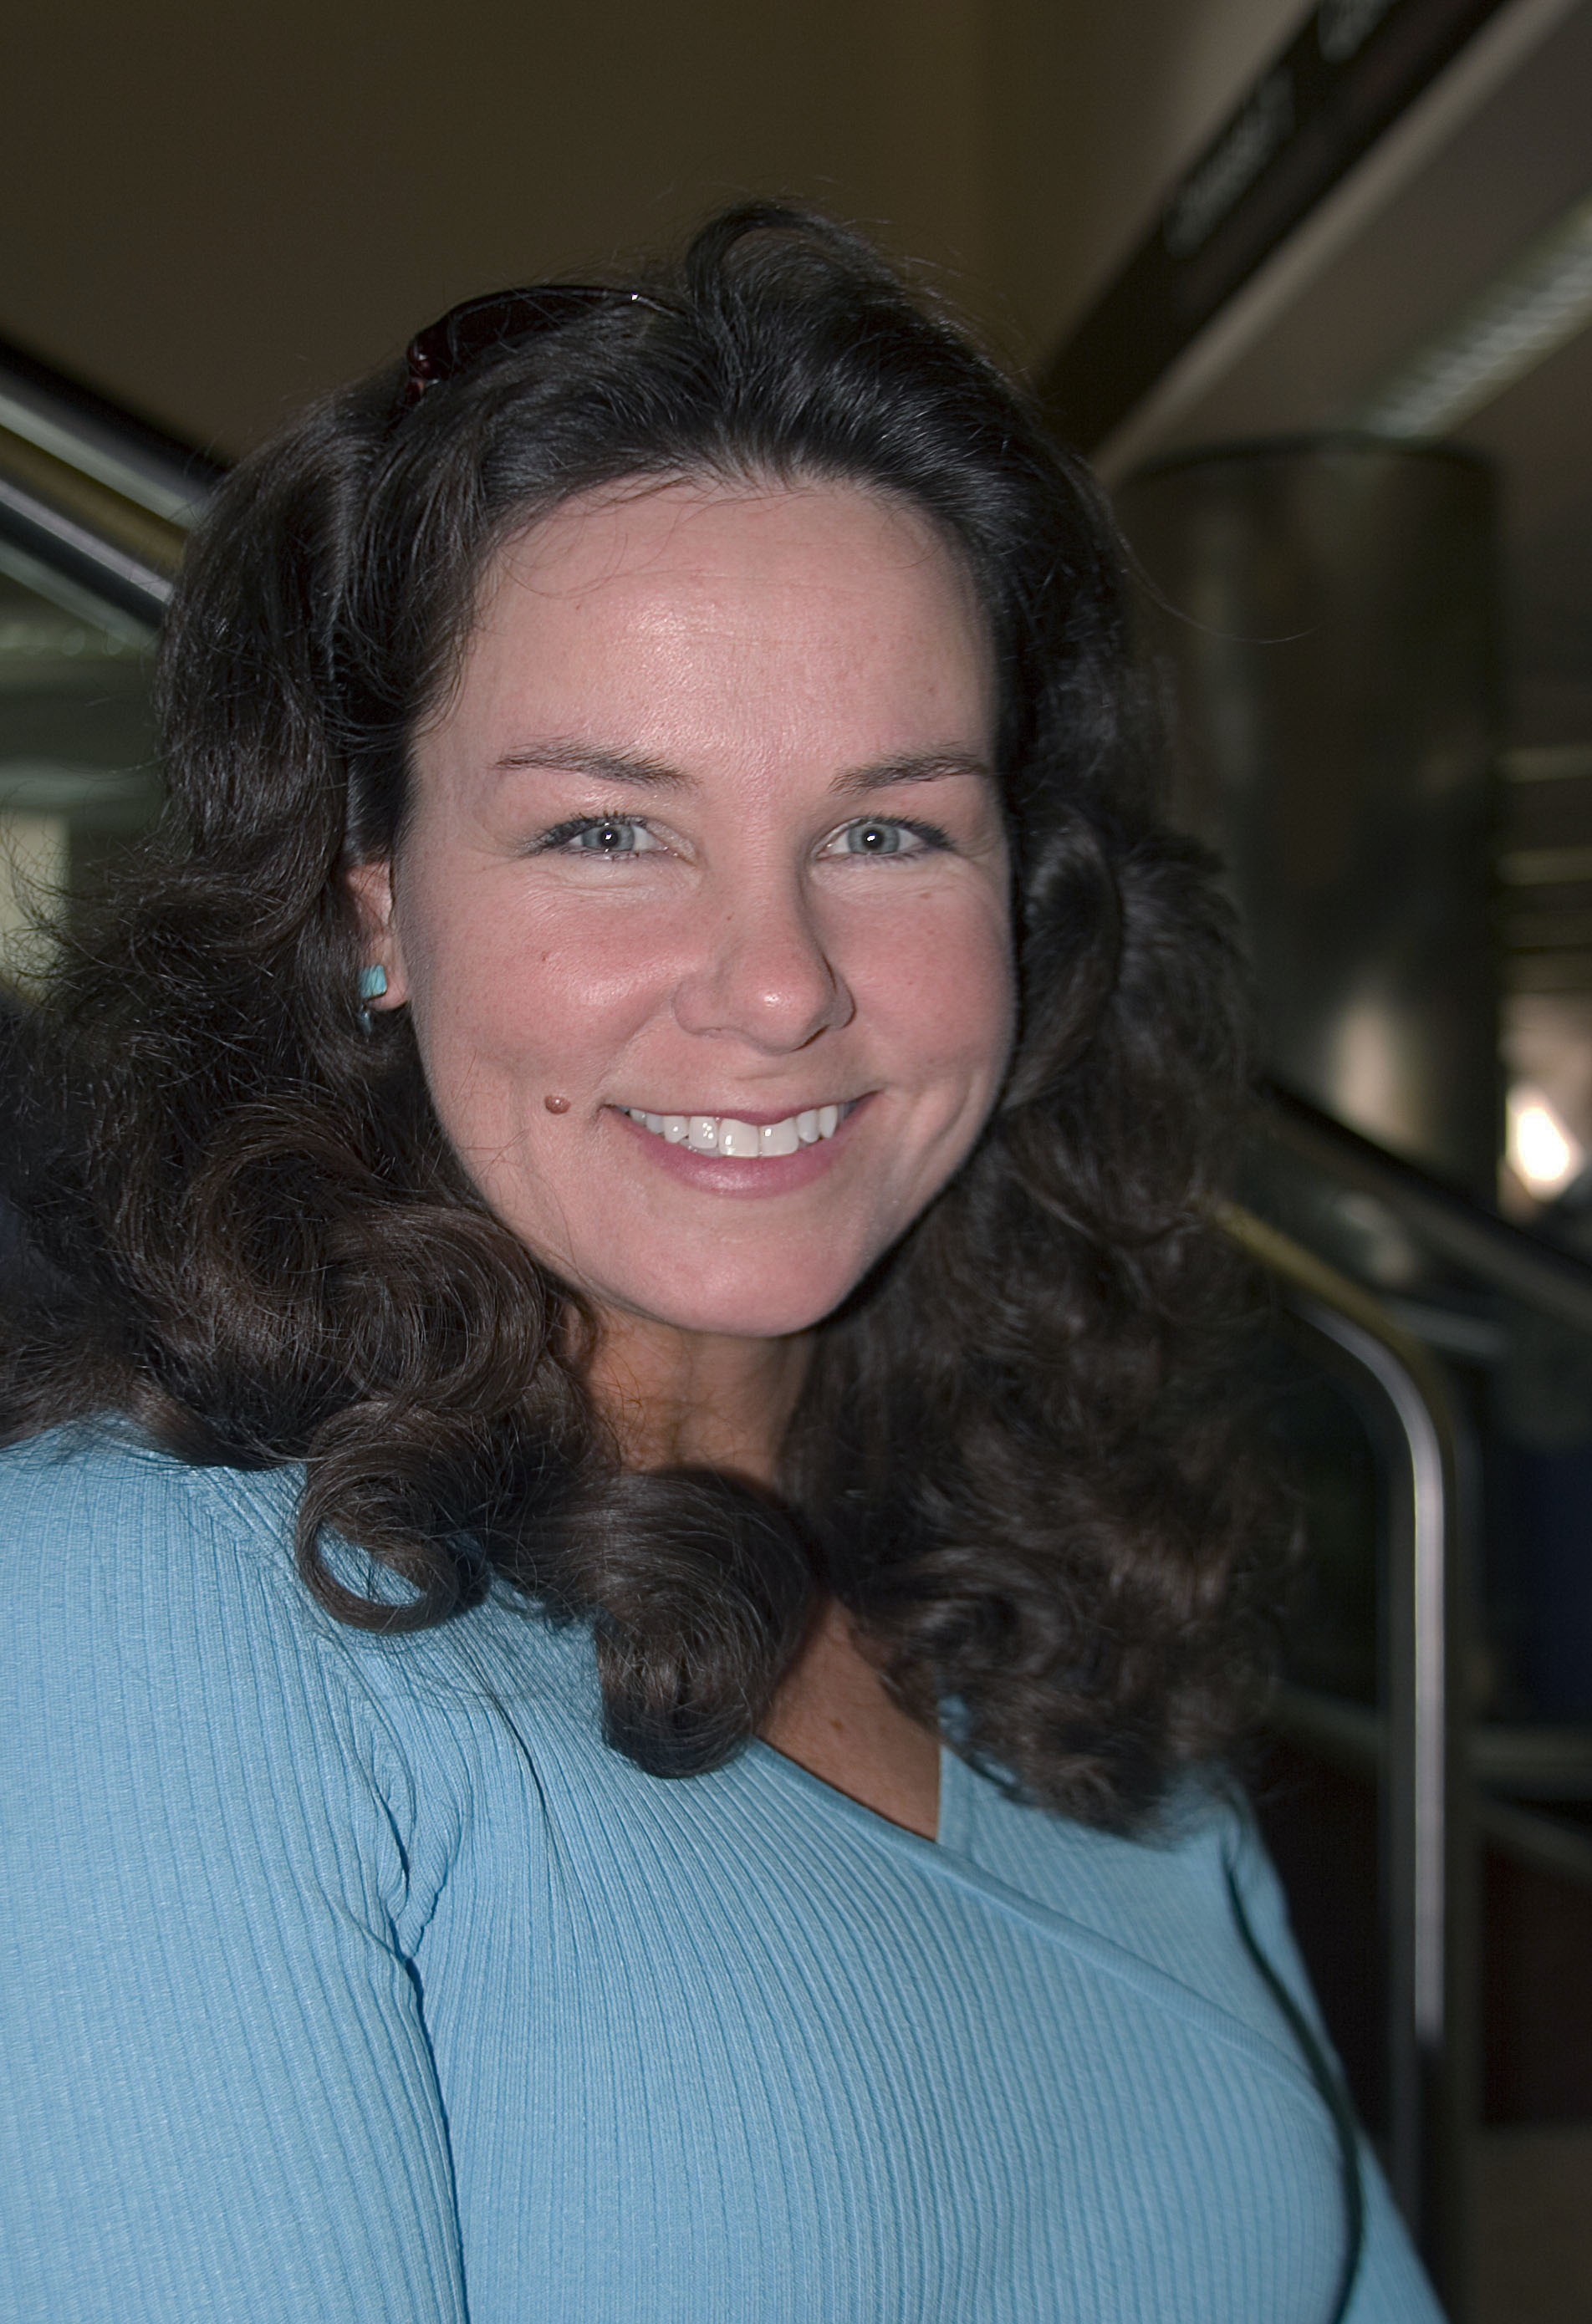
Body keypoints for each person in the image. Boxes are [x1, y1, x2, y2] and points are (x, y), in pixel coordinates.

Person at [0, 205, 1440, 2322]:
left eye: (887, 829)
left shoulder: (1056, 1600)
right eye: (608, 829)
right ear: (374, 905)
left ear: (1021, 900)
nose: (778, 985)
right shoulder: (153, 1620)